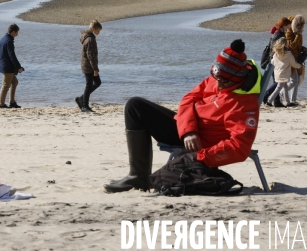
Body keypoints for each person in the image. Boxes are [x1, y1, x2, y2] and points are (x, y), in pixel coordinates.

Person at [104, 40, 261, 193]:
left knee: (136, 107)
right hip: (187, 131)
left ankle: (144, 178)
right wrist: (189, 130)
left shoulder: (245, 103)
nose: (218, 85)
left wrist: (201, 157)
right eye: (217, 78)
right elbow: (189, 98)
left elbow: (240, 148)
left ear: (238, 78)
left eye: (224, 82)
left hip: (202, 146)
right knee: (135, 106)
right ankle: (137, 176)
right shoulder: (219, 76)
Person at [262, 17, 292, 107]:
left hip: (274, 60)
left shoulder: (278, 33)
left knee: (278, 81)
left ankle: (277, 101)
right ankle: (266, 95)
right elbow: (276, 48)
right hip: (275, 61)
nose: (288, 28)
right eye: (287, 26)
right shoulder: (279, 34)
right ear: (284, 25)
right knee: (277, 82)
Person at [266, 38, 302, 107]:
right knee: (279, 87)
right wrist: (299, 66)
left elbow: (272, 62)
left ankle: (288, 102)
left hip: (277, 72)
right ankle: (269, 100)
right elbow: (294, 63)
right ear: (285, 44)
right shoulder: (288, 54)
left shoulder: (276, 54)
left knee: (285, 87)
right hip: (284, 73)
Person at [76, 20, 102, 113]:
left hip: (87, 65)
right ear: (93, 29)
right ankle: (84, 106)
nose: (99, 32)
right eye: (98, 30)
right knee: (89, 85)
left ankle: (81, 99)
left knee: (97, 82)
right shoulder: (90, 39)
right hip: (88, 66)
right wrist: (95, 69)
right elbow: (90, 56)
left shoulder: (89, 37)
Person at [0, 24, 24, 108]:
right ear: (13, 32)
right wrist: (19, 67)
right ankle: (1, 104)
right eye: (16, 33)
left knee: (14, 82)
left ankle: (12, 102)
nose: (17, 34)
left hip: (5, 65)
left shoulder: (2, 39)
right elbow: (12, 56)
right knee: (6, 85)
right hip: (7, 67)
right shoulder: (8, 41)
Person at [285, 15, 306, 104]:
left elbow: (297, 46)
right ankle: (281, 92)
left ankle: (293, 100)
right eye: (298, 24)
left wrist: (303, 49)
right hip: (290, 60)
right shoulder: (289, 33)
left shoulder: (298, 33)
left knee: (296, 81)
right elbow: (291, 45)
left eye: (301, 24)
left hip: (297, 59)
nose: (300, 26)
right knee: (294, 81)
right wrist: (298, 36)